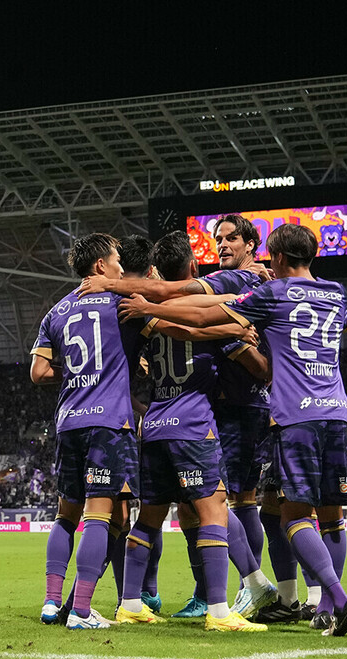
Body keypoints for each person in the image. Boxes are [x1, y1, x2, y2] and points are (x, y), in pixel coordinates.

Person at [119, 223, 347, 636]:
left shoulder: (267, 291)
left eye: (232, 239)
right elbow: (339, 330)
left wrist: (150, 309)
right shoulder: (336, 294)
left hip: (277, 413)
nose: (223, 245)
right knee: (324, 514)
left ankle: (320, 598)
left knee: (280, 513)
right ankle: (314, 601)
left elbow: (199, 313)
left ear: (275, 257)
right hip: (335, 411)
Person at [115, 230, 267, 631]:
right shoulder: (202, 310)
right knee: (215, 508)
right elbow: (207, 329)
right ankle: (219, 610)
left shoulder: (150, 316)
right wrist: (237, 329)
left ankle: (129, 602)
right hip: (193, 422)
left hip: (155, 424)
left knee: (147, 519)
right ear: (194, 268)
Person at [31, 233, 146, 630]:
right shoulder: (122, 302)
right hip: (107, 422)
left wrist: (78, 372)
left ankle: (50, 603)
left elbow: (39, 372)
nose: (120, 268)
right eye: (116, 261)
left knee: (65, 515)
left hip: (68, 421)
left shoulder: (56, 312)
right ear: (100, 266)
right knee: (99, 515)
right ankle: (80, 610)